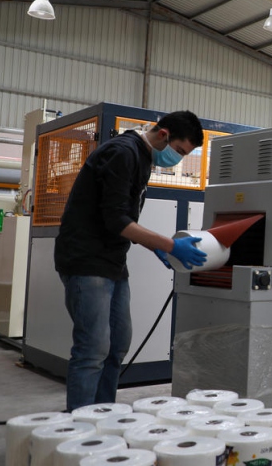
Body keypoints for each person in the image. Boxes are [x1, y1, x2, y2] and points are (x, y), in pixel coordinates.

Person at [55, 111, 209, 411]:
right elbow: (116, 220)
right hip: (87, 261)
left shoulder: (142, 158)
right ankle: (80, 428)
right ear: (163, 134)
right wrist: (170, 245)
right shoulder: (123, 153)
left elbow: (123, 217)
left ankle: (104, 414)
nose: (177, 159)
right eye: (179, 151)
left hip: (112, 262)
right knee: (92, 349)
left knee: (117, 345)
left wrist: (158, 248)